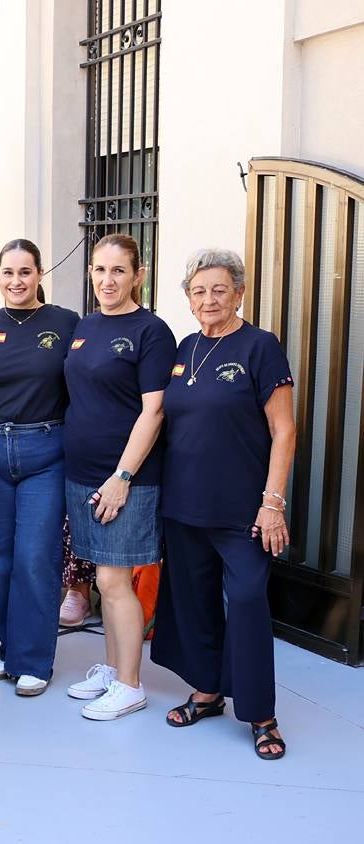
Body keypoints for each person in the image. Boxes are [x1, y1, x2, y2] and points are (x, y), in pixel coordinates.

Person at [152, 248, 295, 760]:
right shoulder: (184, 348)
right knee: (193, 600)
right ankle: (208, 690)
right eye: (198, 291)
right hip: (184, 504)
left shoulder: (261, 347)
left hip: (244, 510)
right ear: (188, 299)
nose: (208, 299)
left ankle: (261, 713)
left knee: (251, 601)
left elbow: (284, 430)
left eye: (219, 290)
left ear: (238, 293)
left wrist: (272, 502)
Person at [0, 239, 80, 696]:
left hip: (45, 450)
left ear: (40, 274)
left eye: (25, 272)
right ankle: (9, 650)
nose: (17, 281)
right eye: (8, 272)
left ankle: (35, 660)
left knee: (35, 558)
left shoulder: (65, 323)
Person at [62, 234, 175, 720]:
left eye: (118, 271)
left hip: (125, 479)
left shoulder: (151, 331)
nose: (108, 281)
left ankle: (131, 683)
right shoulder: (85, 326)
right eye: (100, 270)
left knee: (113, 581)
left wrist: (123, 476)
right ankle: (112, 668)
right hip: (82, 474)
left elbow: (154, 411)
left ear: (138, 275)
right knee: (105, 581)